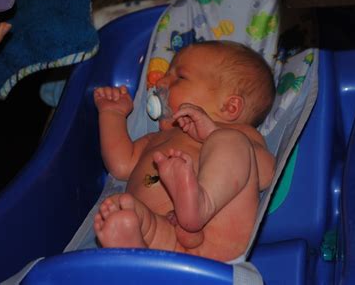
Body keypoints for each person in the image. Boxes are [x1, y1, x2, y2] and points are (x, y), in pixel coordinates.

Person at [93, 40, 276, 262]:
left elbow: (266, 173)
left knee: (231, 142)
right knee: (123, 211)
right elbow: (121, 166)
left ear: (230, 107)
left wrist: (212, 132)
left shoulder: (239, 133)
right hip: (161, 234)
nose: (160, 82)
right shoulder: (156, 140)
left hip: (214, 237)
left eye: (179, 77)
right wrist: (112, 114)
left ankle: (203, 202)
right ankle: (134, 253)